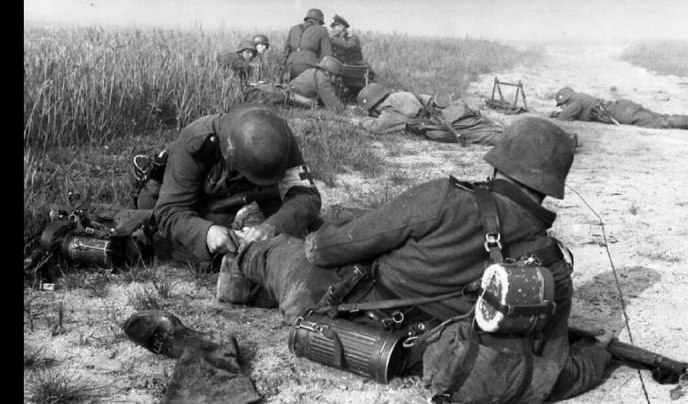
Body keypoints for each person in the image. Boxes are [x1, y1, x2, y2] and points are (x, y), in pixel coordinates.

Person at [124, 118, 617, 403]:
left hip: (328, 308)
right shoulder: (552, 266)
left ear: (497, 161)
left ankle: (242, 273)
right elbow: (554, 369)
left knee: (275, 250)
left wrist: (326, 230)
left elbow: (325, 250)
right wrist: (602, 354)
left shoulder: (445, 198)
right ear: (551, 186)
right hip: (400, 352)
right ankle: (249, 281)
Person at [146, 104, 322, 271]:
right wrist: (207, 233)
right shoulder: (196, 141)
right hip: (204, 205)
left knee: (307, 231)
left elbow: (307, 196)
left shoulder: (277, 136)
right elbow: (169, 211)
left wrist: (273, 226)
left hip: (252, 200)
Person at [354, 83, 505, 146]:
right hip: (454, 110)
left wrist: (362, 121)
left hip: (445, 123)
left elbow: (378, 127)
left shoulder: (389, 111)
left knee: (478, 135)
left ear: (374, 106)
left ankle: (509, 137)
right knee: (482, 125)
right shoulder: (400, 95)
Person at [550, 86, 688, 131]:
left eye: (563, 104)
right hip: (622, 108)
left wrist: (554, 114)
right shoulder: (580, 98)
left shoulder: (576, 102)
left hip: (622, 113)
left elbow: (564, 118)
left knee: (662, 122)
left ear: (566, 100)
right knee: (663, 117)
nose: (564, 107)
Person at [247, 56, 345, 111]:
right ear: (329, 72)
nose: (337, 79)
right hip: (291, 98)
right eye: (336, 76)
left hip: (287, 91)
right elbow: (336, 107)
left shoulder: (311, 71)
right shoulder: (322, 79)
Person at [329, 14, 374, 98]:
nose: (333, 29)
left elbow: (348, 46)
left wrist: (332, 39)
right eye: (333, 27)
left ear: (342, 27)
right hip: (344, 71)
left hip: (358, 69)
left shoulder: (353, 38)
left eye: (335, 26)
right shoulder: (334, 40)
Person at [283, 8, 332, 81]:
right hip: (307, 65)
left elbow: (286, 50)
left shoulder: (293, 29)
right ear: (319, 21)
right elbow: (326, 53)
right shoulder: (322, 30)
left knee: (289, 89)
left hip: (290, 66)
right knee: (310, 89)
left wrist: (283, 66)